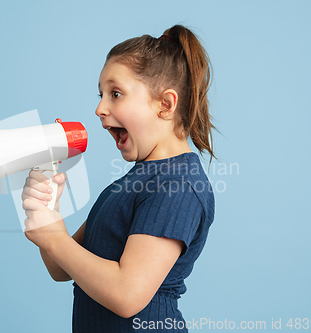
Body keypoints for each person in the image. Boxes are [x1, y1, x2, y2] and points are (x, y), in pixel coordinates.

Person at [21, 24, 216, 332]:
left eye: (115, 94)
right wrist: (47, 214)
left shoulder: (178, 185)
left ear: (165, 105)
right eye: (101, 95)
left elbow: (127, 295)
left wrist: (55, 237)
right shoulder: (127, 185)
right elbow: (61, 268)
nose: (99, 108)